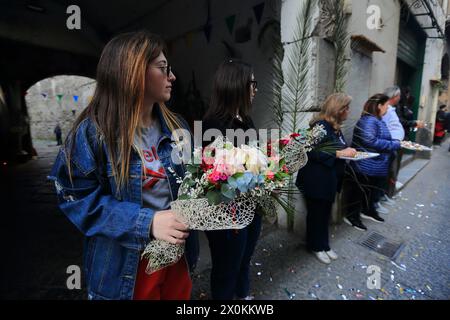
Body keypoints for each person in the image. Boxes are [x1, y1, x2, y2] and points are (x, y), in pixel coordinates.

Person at [48, 31, 198, 300]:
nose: (172, 77)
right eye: (163, 68)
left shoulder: (179, 127)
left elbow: (192, 186)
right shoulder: (92, 134)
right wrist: (147, 222)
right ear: (133, 72)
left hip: (177, 261)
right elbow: (76, 199)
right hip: (125, 269)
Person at [201, 59, 260, 300]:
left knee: (244, 260)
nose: (256, 89)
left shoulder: (247, 120)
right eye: (252, 83)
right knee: (227, 269)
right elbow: (212, 175)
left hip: (251, 206)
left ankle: (243, 296)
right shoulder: (212, 124)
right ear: (237, 85)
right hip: (226, 214)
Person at [295, 93, 357, 264]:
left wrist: (348, 151)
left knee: (324, 214)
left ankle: (324, 245)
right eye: (346, 108)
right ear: (338, 110)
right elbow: (310, 150)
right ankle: (315, 246)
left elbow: (338, 147)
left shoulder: (335, 127)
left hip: (328, 179)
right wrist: (340, 152)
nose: (348, 111)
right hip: (315, 180)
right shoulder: (320, 126)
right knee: (316, 215)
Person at [345, 94, 401, 231]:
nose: (388, 108)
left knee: (370, 192)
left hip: (375, 165)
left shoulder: (377, 119)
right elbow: (370, 141)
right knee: (359, 193)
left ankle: (368, 211)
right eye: (386, 105)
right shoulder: (369, 120)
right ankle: (352, 217)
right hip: (365, 165)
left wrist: (394, 143)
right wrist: (394, 144)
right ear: (379, 106)